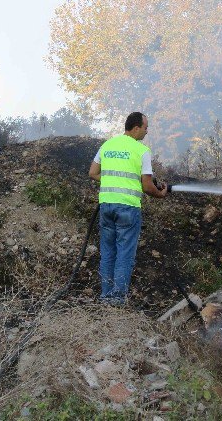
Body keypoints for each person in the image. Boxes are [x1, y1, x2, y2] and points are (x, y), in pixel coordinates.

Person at [88, 112, 168, 304]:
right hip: (128, 208)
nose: (147, 132)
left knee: (108, 252)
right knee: (124, 253)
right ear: (136, 128)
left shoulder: (107, 145)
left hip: (106, 206)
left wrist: (112, 181)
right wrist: (160, 194)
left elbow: (93, 173)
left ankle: (106, 296)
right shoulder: (141, 151)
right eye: (146, 128)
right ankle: (117, 299)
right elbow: (148, 186)